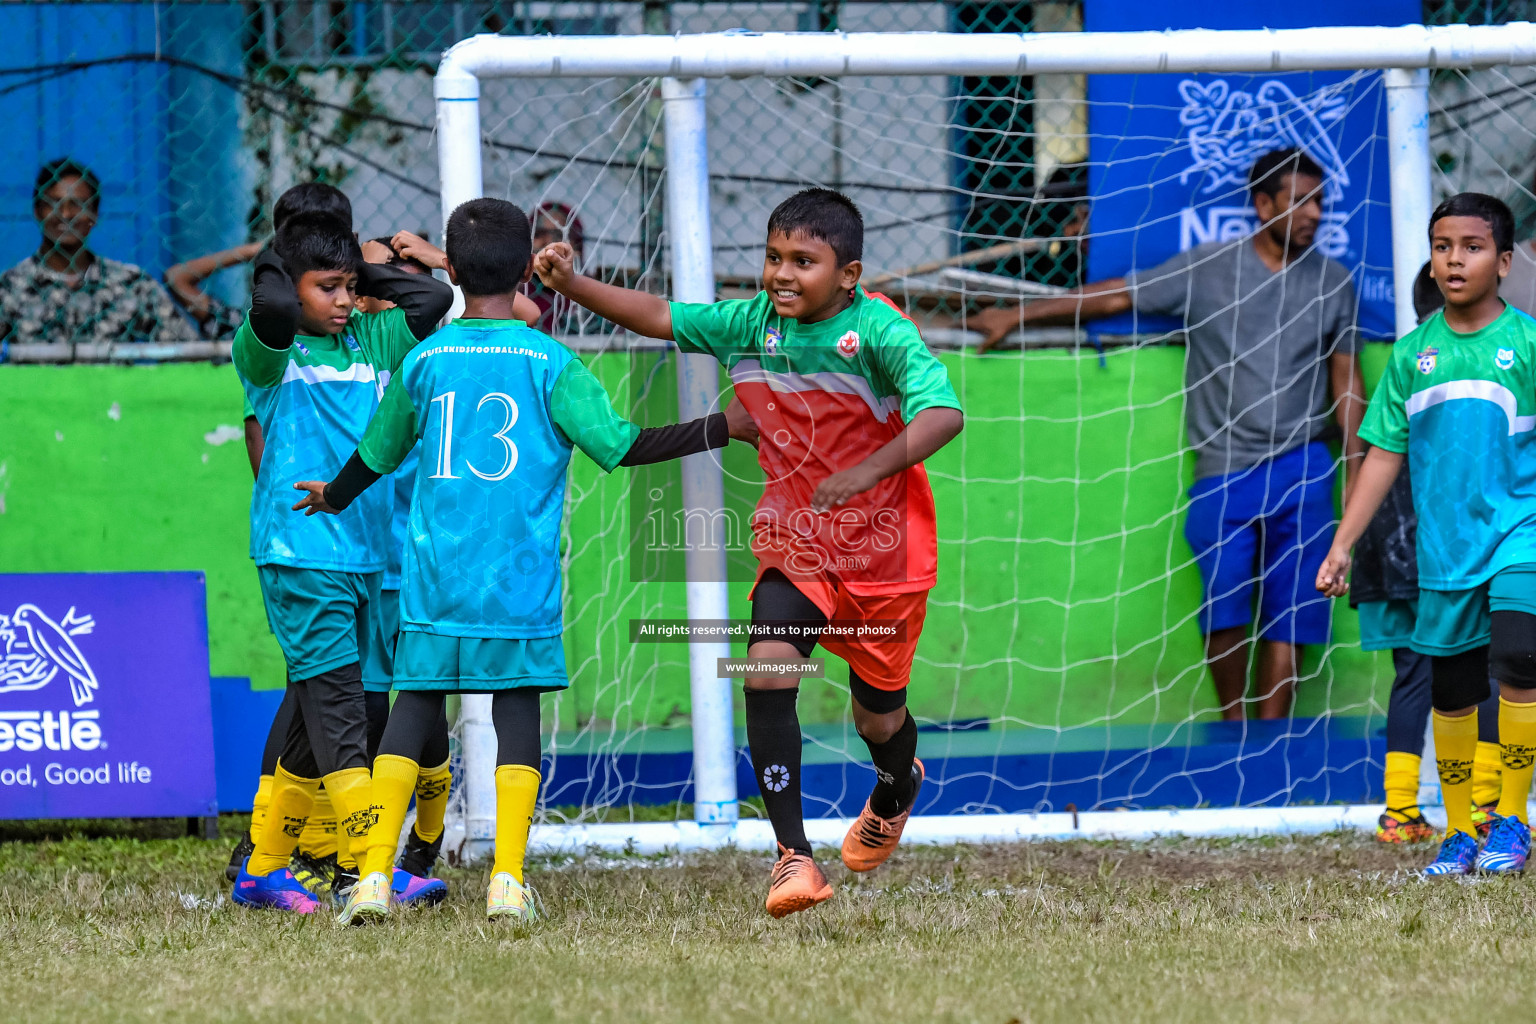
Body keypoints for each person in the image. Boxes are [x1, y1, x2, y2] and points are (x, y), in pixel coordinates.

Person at [292, 197, 746, 923]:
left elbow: (376, 454)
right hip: (518, 586)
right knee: (517, 716)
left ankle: (372, 876)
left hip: (435, 582)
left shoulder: (425, 358)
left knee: (411, 714)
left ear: (454, 266)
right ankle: (507, 880)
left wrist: (334, 495)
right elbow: (623, 446)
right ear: (526, 268)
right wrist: (724, 425)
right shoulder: (551, 363)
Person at [535, 187, 965, 918]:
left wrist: (866, 471)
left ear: (848, 275)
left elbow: (945, 413)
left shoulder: (880, 334)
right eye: (773, 257)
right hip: (795, 539)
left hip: (884, 555)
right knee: (767, 670)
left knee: (878, 721)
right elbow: (663, 317)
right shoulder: (749, 323)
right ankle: (792, 857)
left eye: (805, 260)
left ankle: (897, 786)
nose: (782, 274)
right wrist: (572, 285)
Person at [972, 148, 1364, 720]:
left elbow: (1347, 383)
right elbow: (1115, 295)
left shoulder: (1334, 281)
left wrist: (1357, 472)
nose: (1313, 214)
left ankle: (1271, 738)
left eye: (1320, 202)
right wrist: (1015, 316)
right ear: (1262, 205)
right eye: (1299, 201)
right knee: (1225, 605)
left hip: (1303, 468)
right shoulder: (1207, 268)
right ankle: (1238, 733)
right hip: (1223, 468)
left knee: (1295, 610)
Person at [229, 210, 454, 913]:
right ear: (290, 290)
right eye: (326, 288)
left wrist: (361, 270)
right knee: (341, 716)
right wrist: (289, 260)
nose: (343, 301)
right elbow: (269, 303)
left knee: (310, 724)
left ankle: (262, 871)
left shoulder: (370, 338)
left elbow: (432, 300)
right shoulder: (270, 356)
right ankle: (371, 867)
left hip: (362, 559)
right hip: (301, 557)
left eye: (350, 287)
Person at [1318, 192, 1536, 876]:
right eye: (1442, 247)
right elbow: (1382, 454)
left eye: (1471, 247)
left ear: (1503, 262)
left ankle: (1512, 819)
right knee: (1453, 690)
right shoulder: (1413, 356)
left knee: (1521, 658)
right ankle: (1463, 829)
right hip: (1445, 552)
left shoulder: (1527, 343)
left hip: (1519, 532)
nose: (1454, 260)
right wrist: (1342, 543)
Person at [1354, 263, 1501, 843]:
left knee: (1413, 673)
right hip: (1447, 544)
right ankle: (1487, 805)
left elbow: (1372, 453)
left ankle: (1399, 810)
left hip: (1387, 542)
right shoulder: (1473, 361)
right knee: (1485, 666)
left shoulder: (1402, 361)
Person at [0, 158, 197, 350]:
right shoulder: (9, 287)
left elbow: (189, 350)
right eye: (54, 203)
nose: (66, 214)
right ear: (38, 211)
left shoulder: (130, 284)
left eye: (78, 204)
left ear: (94, 215)